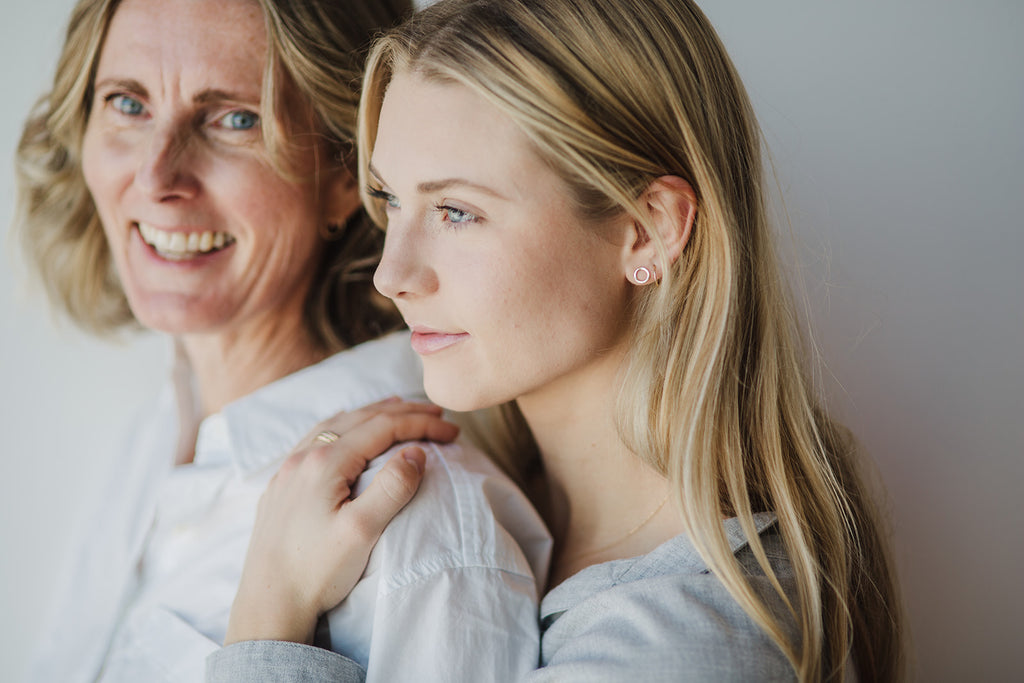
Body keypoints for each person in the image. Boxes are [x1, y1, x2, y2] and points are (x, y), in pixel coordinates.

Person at [209, 0, 907, 681]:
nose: (392, 275)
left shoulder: (684, 641)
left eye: (457, 211)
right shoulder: (484, 484)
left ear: (647, 229)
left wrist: (269, 614)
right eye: (392, 199)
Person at [14, 0, 550, 681]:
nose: (154, 178)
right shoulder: (155, 438)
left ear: (345, 174)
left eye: (235, 118)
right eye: (127, 103)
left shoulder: (417, 530)